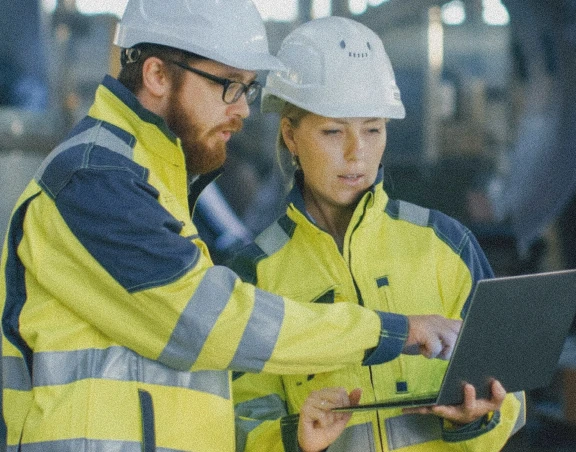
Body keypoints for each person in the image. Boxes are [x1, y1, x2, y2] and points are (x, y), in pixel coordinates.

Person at [0, 2, 463, 450]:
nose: (242, 110)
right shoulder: (95, 179)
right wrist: (387, 332)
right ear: (157, 75)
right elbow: (206, 322)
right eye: (229, 86)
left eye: (247, 89)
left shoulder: (153, 179)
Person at [228, 16, 526, 452]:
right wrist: (292, 438)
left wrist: (479, 418)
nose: (357, 153)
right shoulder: (255, 277)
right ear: (290, 136)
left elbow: (513, 392)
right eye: (333, 132)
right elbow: (237, 419)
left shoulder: (446, 244)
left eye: (373, 129)